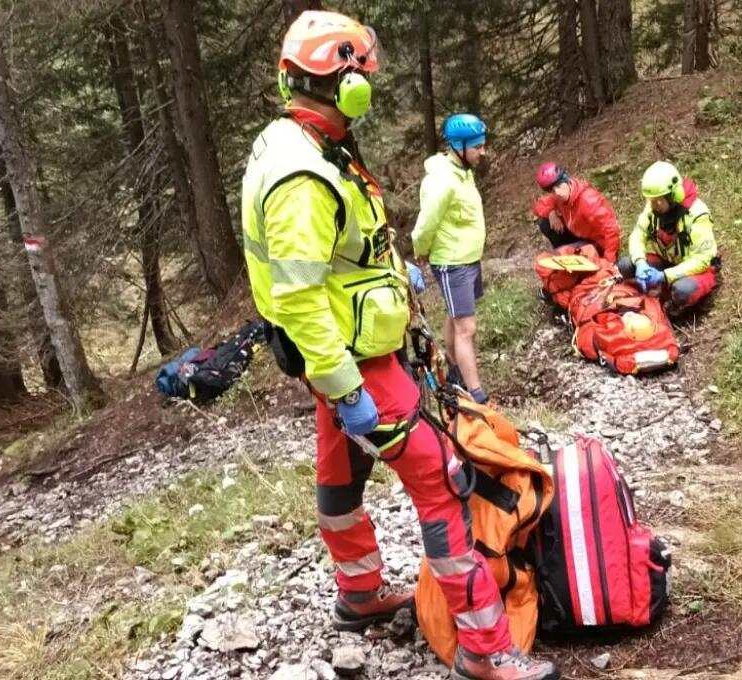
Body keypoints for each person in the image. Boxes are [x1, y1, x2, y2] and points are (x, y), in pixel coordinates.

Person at [240, 12, 557, 680]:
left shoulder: (298, 141)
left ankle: (358, 594)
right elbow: (299, 297)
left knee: (339, 472)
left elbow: (331, 259)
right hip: (353, 358)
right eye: (360, 77)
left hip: (341, 353)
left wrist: (389, 269)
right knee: (443, 480)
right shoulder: (303, 174)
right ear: (344, 82)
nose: (367, 88)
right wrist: (349, 387)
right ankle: (485, 646)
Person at [411, 114, 491, 405]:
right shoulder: (442, 181)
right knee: (466, 328)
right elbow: (425, 224)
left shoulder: (462, 169)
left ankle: (455, 370)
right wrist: (420, 248)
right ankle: (476, 393)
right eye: (478, 147)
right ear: (459, 145)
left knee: (455, 314)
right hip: (453, 262)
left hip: (469, 258)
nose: (483, 152)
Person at [618, 161, 721, 314]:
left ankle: (677, 307)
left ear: (674, 195)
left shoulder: (698, 214)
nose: (655, 205)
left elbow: (702, 259)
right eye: (652, 200)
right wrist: (640, 263)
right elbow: (638, 235)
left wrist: (664, 276)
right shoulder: (652, 208)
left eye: (659, 200)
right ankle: (660, 289)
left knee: (683, 290)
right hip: (668, 260)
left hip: (697, 269)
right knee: (626, 264)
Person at [532, 162, 621, 262]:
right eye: (552, 190)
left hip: (597, 243)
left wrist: (609, 260)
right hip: (579, 234)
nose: (557, 192)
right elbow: (539, 205)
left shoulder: (588, 201)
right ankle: (565, 250)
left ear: (566, 180)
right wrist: (551, 212)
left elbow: (611, 230)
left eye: (559, 186)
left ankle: (573, 255)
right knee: (544, 222)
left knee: (560, 259)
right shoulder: (560, 196)